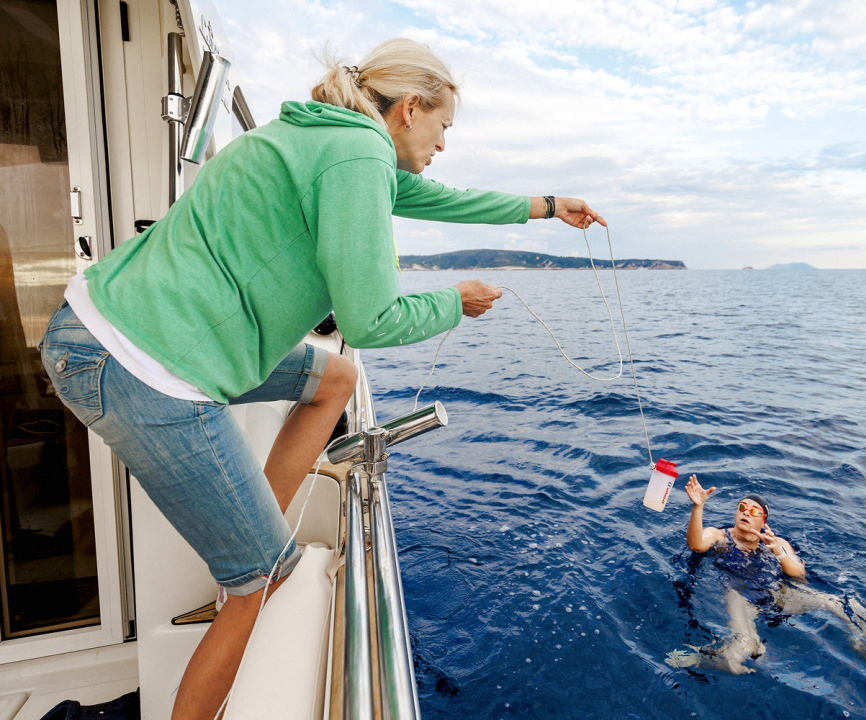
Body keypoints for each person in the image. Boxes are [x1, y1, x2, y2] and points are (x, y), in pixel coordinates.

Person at [38, 38, 604, 720]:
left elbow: (440, 199)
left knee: (332, 379)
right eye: (444, 127)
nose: (445, 144)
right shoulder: (358, 153)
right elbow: (369, 320)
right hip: (144, 364)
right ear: (411, 109)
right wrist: (454, 301)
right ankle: (248, 575)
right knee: (263, 580)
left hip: (126, 332)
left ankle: (252, 540)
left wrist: (546, 206)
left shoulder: (331, 138)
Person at [668, 476, 866, 697]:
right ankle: (700, 657)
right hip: (739, 594)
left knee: (845, 605)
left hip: (776, 593)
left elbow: (799, 576)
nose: (745, 511)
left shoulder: (775, 542)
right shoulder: (720, 536)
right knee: (742, 652)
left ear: (764, 519)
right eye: (742, 507)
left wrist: (778, 552)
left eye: (754, 510)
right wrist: (698, 507)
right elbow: (695, 543)